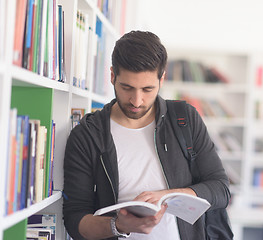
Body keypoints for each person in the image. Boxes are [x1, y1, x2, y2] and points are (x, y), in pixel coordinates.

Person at [63, 30, 231, 240]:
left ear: (162, 79)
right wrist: (118, 225)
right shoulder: (87, 135)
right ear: (112, 75)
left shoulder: (184, 119)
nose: (136, 100)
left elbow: (221, 190)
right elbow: (75, 219)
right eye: (127, 88)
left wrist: (169, 196)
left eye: (147, 89)